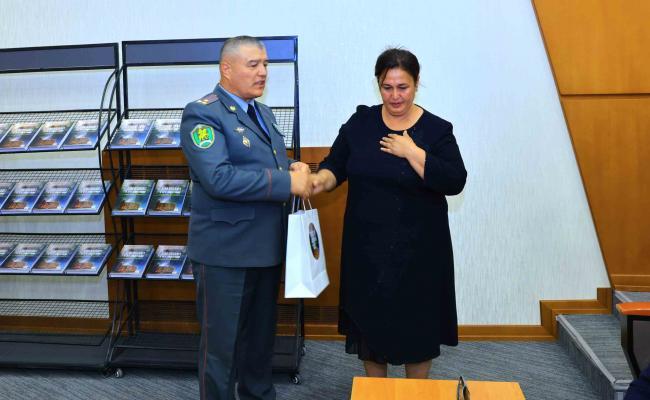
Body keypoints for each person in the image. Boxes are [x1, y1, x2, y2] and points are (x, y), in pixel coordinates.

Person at [311, 48, 467, 378]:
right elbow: (334, 166)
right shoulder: (361, 123)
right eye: (387, 87)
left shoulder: (436, 130)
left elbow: (455, 181)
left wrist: (412, 152)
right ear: (378, 85)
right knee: (370, 328)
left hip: (420, 252)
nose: (395, 96)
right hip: (367, 250)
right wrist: (315, 181)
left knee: (418, 329)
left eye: (403, 87)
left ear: (417, 84)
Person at [180, 36, 311, 400]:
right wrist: (286, 182)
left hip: (265, 248)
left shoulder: (263, 112)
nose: (263, 72)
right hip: (225, 254)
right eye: (253, 65)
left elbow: (261, 163)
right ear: (227, 69)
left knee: (259, 344)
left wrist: (292, 166)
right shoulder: (202, 114)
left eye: (265, 64)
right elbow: (218, 178)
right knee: (220, 351)